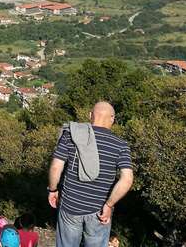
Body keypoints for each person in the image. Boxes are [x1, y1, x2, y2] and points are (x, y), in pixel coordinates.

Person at [48, 101, 134, 247]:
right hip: (99, 211)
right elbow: (127, 179)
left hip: (70, 206)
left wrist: (53, 190)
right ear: (112, 119)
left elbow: (56, 167)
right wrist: (109, 205)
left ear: (90, 115)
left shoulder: (71, 134)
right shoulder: (121, 145)